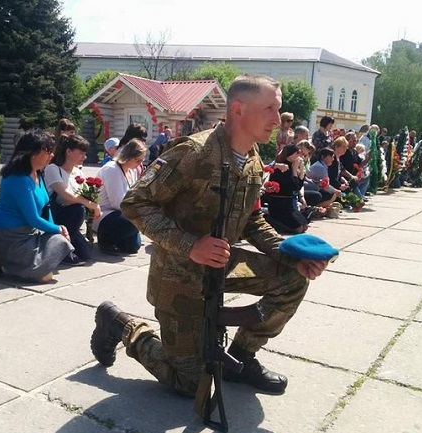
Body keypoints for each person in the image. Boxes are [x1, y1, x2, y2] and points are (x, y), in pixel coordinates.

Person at [91, 75, 329, 399]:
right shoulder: (194, 152)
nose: (278, 119)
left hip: (222, 265)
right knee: (189, 383)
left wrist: (292, 255)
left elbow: (252, 220)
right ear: (239, 109)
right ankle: (121, 325)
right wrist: (191, 246)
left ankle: (241, 359)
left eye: (279, 109)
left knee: (291, 280)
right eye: (269, 109)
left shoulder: (254, 161)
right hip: (178, 276)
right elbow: (135, 204)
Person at [0, 129, 75, 283]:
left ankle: (12, 263)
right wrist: (58, 229)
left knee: (60, 242)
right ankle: (3, 260)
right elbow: (33, 218)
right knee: (46, 276)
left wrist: (55, 230)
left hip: (29, 233)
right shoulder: (18, 178)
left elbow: (46, 207)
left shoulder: (38, 173)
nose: (52, 155)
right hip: (11, 236)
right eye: (48, 151)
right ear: (34, 153)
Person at [45, 134, 100, 263]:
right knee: (79, 208)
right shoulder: (53, 169)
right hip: (56, 215)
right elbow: (65, 194)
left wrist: (93, 204)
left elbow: (85, 194)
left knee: (86, 254)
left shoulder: (78, 172)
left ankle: (69, 243)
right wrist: (91, 204)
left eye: (85, 153)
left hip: (72, 221)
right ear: (68, 152)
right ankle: (61, 249)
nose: (84, 157)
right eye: (81, 153)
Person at [93, 138, 144, 255]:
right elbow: (117, 202)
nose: (140, 164)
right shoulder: (112, 169)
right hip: (105, 214)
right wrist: (140, 212)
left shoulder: (131, 170)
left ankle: (117, 237)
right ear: (129, 157)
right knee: (138, 220)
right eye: (138, 160)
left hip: (122, 213)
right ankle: (104, 238)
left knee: (133, 247)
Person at [264, 144, 309, 234]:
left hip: (288, 204)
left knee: (304, 226)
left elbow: (299, 186)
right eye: (297, 153)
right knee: (298, 229)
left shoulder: (292, 166)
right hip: (279, 203)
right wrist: (295, 169)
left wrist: (301, 169)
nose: (299, 156)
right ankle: (274, 221)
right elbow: (294, 186)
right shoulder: (283, 167)